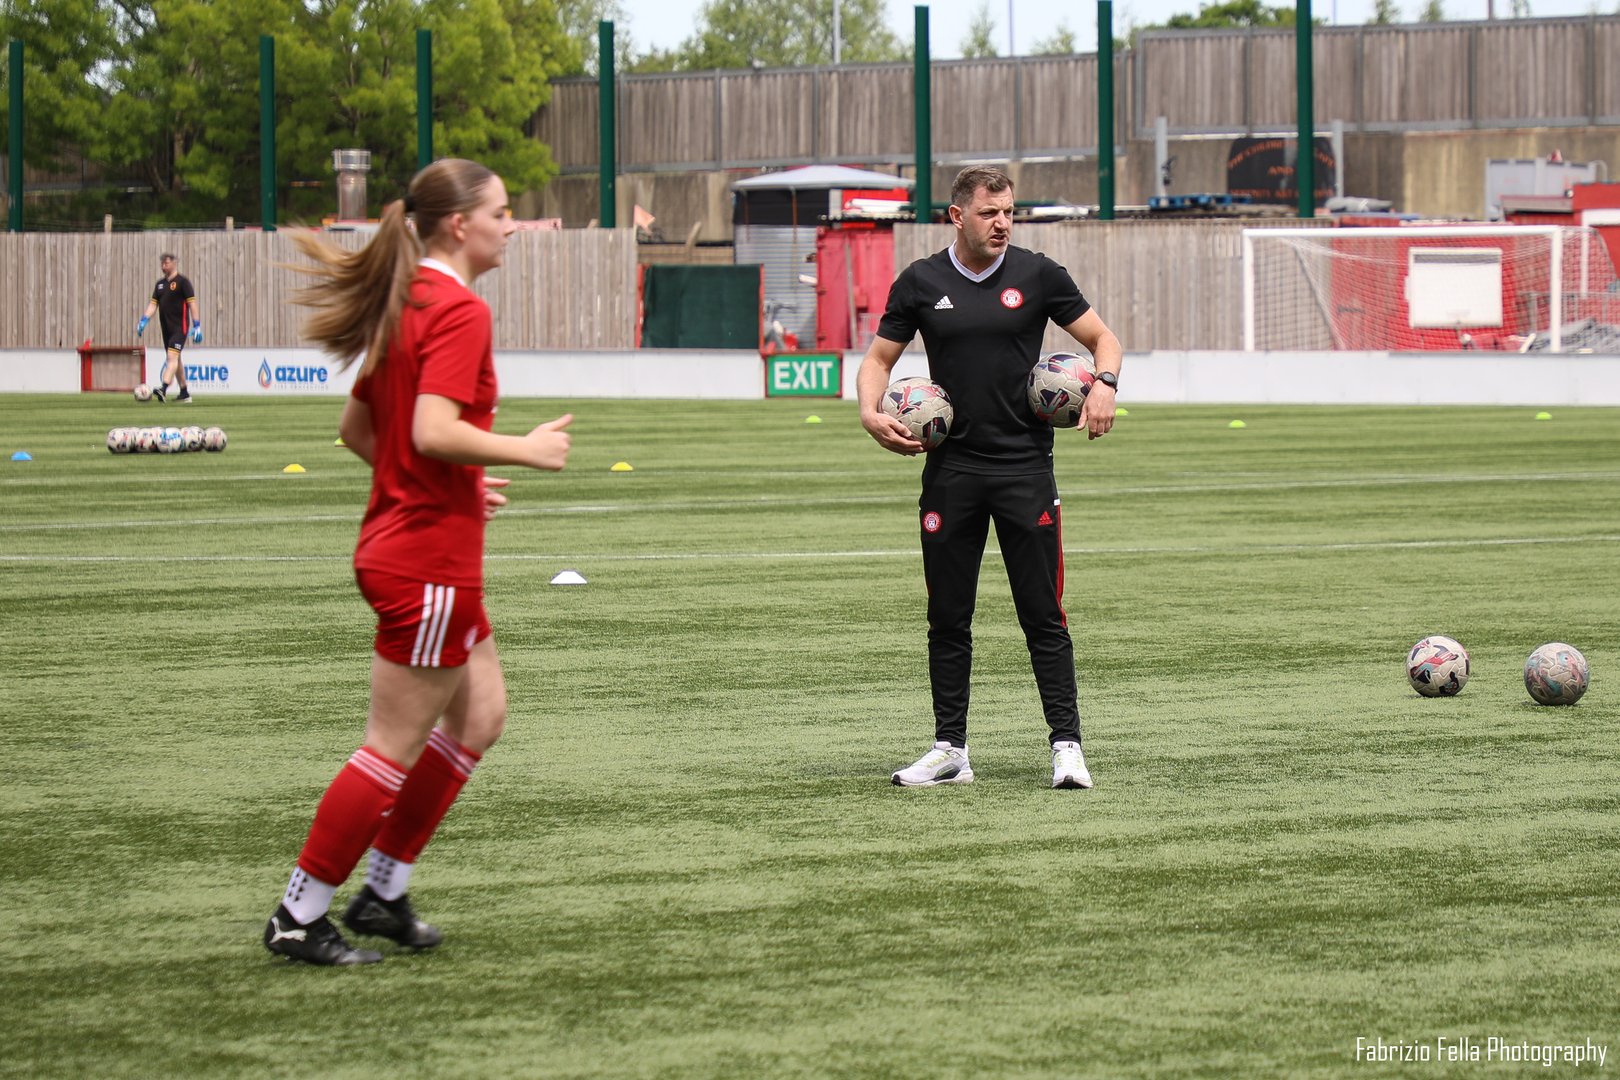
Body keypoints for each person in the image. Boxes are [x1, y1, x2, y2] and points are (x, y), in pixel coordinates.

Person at [262, 158, 574, 965]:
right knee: (389, 745)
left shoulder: (410, 300)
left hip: (416, 547)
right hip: (426, 561)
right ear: (458, 225)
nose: (512, 225)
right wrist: (524, 451)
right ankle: (300, 914)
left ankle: (384, 891)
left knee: (481, 716)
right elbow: (430, 429)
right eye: (503, 213)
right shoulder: (459, 310)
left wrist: (453, 484)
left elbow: (358, 430)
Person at [857, 165, 1123, 791]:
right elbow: (878, 360)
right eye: (989, 213)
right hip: (950, 473)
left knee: (1043, 614)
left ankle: (1066, 747)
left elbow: (1102, 339)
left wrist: (1105, 384)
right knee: (948, 616)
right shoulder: (920, 282)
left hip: (1024, 471)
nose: (1002, 223)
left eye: (1009, 212)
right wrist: (870, 412)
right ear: (957, 216)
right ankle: (951, 749)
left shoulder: (1040, 275)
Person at [136, 252, 202, 402]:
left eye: (166, 263)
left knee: (171, 358)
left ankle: (163, 388)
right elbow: (153, 304)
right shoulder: (160, 285)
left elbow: (192, 304)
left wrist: (197, 325)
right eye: (162, 263)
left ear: (174, 263)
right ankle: (184, 393)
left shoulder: (183, 282)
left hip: (180, 328)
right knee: (176, 359)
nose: (163, 266)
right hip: (166, 329)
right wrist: (144, 320)